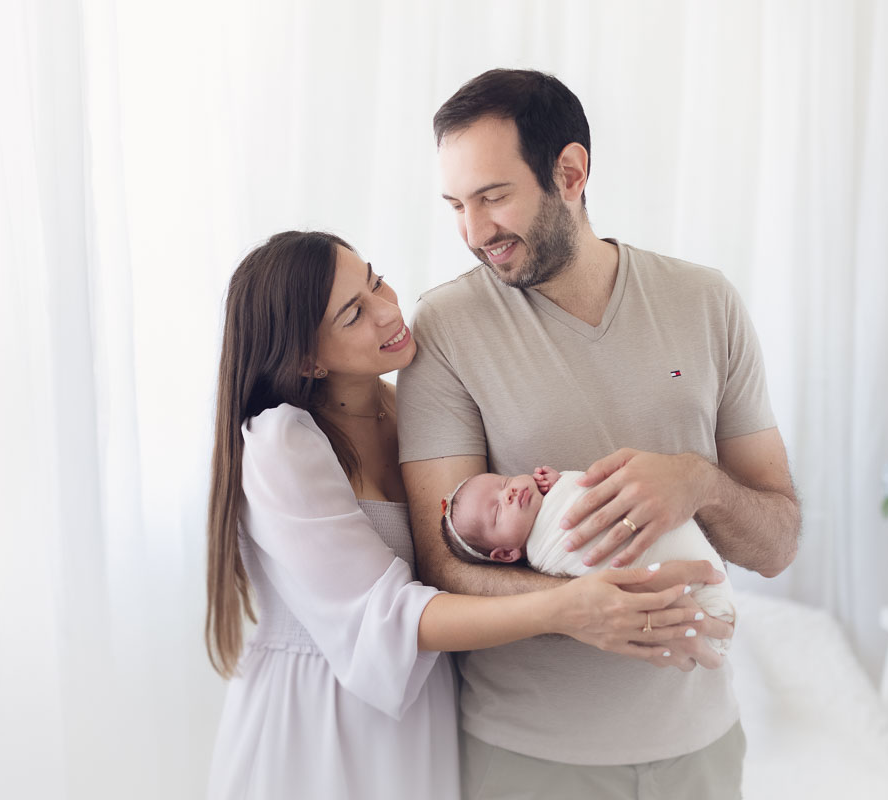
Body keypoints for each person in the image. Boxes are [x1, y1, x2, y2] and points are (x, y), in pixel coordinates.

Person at [204, 230, 726, 800]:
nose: (387, 311)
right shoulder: (284, 443)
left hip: (424, 715)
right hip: (319, 723)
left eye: (376, 280)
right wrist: (567, 609)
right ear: (306, 358)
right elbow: (384, 617)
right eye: (354, 314)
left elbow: (498, 533)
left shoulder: (413, 413)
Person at [398, 69, 801, 798]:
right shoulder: (445, 331)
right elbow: (441, 565)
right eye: (457, 205)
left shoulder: (705, 302)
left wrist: (700, 482)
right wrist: (574, 610)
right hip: (527, 759)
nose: (474, 231)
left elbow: (777, 544)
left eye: (493, 196)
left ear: (571, 172)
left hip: (702, 749)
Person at [439, 466, 734, 653]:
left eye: (503, 482)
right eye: (497, 511)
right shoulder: (544, 556)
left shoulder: (550, 490)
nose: (510, 493)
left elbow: (586, 488)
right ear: (506, 554)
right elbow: (582, 573)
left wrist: (561, 482)